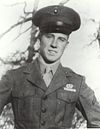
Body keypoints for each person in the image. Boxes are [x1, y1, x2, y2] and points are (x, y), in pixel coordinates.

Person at [0, 5, 100, 129]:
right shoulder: (14, 78)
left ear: (66, 44)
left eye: (61, 39)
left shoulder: (76, 83)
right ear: (39, 39)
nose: (54, 44)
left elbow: (98, 121)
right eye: (49, 37)